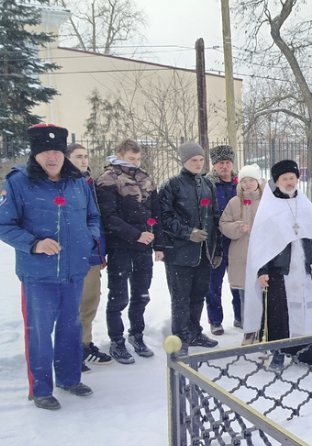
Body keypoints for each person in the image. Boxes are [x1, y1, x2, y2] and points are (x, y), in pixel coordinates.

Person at [0, 124, 100, 410]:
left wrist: (90, 238)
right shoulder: (18, 182)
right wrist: (34, 243)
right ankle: (40, 389)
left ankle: (69, 378)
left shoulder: (78, 181)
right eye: (45, 152)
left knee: (70, 327)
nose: (52, 157)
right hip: (38, 274)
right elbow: (2, 225)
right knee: (39, 331)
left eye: (57, 151)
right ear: (35, 154)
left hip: (74, 270)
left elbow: (93, 217)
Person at [242, 160, 312, 370]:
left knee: (306, 312)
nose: (289, 182)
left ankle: (306, 354)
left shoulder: (304, 205)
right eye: (284, 179)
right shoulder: (269, 208)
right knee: (278, 315)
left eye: (292, 178)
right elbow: (262, 245)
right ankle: (278, 353)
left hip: (303, 271)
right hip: (279, 272)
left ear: (297, 179)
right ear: (276, 182)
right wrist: (262, 270)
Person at [95, 139, 165, 364]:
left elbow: (155, 212)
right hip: (120, 246)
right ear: (118, 155)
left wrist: (158, 240)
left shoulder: (145, 177)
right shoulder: (107, 179)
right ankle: (116, 340)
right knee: (118, 296)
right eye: (130, 158)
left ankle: (137, 334)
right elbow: (109, 216)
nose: (134, 162)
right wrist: (135, 234)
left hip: (144, 246)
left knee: (141, 294)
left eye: (137, 158)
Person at [160, 142, 222, 355]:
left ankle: (195, 332)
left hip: (204, 254)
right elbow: (165, 218)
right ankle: (180, 338)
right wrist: (188, 232)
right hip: (179, 254)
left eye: (201, 160)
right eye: (193, 160)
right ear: (184, 161)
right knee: (180, 298)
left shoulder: (207, 185)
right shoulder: (171, 186)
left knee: (198, 295)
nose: (198, 163)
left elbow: (215, 218)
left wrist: (218, 250)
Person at [66, 143, 113, 371]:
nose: (84, 161)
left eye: (85, 156)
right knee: (74, 305)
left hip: (93, 253)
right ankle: (72, 349)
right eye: (78, 157)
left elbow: (98, 221)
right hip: (73, 255)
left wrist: (100, 252)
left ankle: (84, 345)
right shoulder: (65, 185)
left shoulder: (92, 185)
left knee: (90, 302)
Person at [218, 164, 265, 346]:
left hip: (262, 254)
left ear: (258, 182)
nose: (248, 184)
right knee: (246, 296)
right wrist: (238, 227)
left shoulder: (266, 201)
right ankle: (248, 330)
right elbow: (223, 224)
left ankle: (263, 330)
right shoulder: (233, 202)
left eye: (251, 180)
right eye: (244, 181)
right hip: (241, 255)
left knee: (263, 294)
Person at [205, 145, 241, 336]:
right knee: (214, 283)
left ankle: (240, 316)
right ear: (215, 165)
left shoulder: (241, 184)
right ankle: (215, 320)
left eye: (227, 162)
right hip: (215, 241)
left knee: (238, 281)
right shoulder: (207, 184)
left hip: (238, 241)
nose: (225, 166)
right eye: (221, 163)